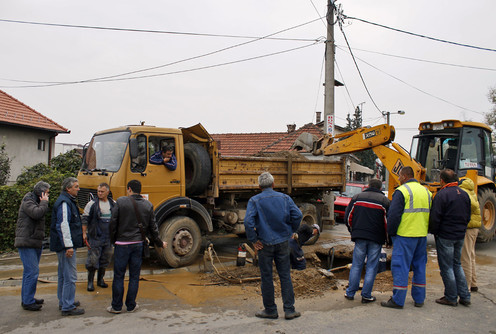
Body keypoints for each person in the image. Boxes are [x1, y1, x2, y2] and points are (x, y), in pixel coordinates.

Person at [244, 172, 303, 320]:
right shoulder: (284, 198)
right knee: (285, 276)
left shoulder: (254, 200)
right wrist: (291, 230)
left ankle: (270, 310)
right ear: (273, 184)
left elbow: (248, 222)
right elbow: (298, 215)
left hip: (264, 244)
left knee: (266, 277)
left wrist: (254, 240)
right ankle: (289, 310)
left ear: (259, 186)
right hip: (283, 242)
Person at [107, 180, 167, 314]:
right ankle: (131, 305)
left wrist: (113, 241)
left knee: (119, 276)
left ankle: (116, 307)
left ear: (129, 189)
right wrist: (160, 243)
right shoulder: (148, 205)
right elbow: (153, 229)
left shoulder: (121, 202)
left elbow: (112, 223)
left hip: (122, 245)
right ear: (140, 190)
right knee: (134, 276)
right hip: (138, 245)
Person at [381, 166, 432, 309]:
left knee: (400, 267)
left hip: (405, 235)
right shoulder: (426, 192)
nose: (398, 179)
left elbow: (393, 216)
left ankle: (398, 300)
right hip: (421, 235)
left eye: (399, 176)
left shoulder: (402, 191)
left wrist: (390, 235)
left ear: (404, 176)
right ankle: (419, 299)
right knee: (419, 266)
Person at [429, 169, 471, 307]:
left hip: (445, 235)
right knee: (457, 264)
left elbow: (435, 217)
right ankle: (465, 295)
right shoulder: (464, 195)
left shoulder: (442, 195)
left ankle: (451, 297)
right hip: (459, 235)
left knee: (447, 267)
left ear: (442, 180)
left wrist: (434, 232)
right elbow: (468, 216)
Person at [344, 179, 390, 303]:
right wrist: (387, 239)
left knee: (357, 265)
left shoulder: (357, 197)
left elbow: (348, 217)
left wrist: (353, 231)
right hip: (376, 238)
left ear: (368, 186)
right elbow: (387, 223)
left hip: (360, 236)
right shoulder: (384, 201)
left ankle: (350, 293)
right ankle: (366, 295)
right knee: (371, 267)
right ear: (380, 188)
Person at [49, 177, 85, 316]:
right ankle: (68, 306)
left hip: (62, 245)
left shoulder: (66, 201)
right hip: (65, 246)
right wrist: (69, 246)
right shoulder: (65, 203)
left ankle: (64, 300)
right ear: (68, 188)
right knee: (70, 275)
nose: (78, 189)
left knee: (63, 274)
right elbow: (63, 225)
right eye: (76, 186)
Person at [15, 181, 50, 311]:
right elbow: (37, 213)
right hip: (27, 241)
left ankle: (28, 298)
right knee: (32, 271)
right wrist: (44, 202)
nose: (48, 195)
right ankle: (28, 301)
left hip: (34, 241)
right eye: (46, 192)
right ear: (40, 192)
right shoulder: (28, 201)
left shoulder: (33, 201)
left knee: (29, 272)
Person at [82, 183, 115, 292]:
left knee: (105, 259)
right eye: (98, 191)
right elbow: (85, 219)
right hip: (95, 236)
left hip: (108, 237)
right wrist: (84, 233)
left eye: (102, 191)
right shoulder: (91, 204)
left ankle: (100, 280)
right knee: (93, 260)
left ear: (107, 192)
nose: (99, 193)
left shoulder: (113, 204)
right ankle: (90, 282)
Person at [458, 178, 481, 292]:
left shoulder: (464, 193)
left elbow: (471, 205)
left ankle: (465, 288)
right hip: (474, 228)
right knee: (471, 256)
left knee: (465, 258)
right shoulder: (471, 191)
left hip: (469, 228)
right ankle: (473, 283)